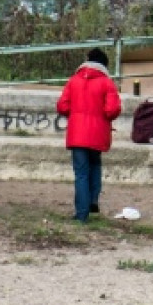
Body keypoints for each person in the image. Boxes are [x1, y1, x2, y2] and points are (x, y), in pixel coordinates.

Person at [56, 48, 122, 222]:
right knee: (95, 166)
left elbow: (62, 106)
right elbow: (112, 109)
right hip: (98, 134)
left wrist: (77, 112)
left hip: (77, 135)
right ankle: (93, 200)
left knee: (81, 174)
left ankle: (81, 214)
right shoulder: (107, 83)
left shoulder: (73, 80)